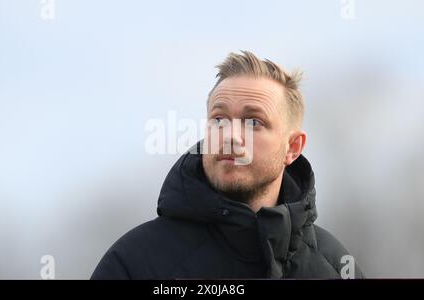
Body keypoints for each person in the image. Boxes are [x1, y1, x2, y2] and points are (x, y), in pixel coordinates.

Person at [91, 50, 364, 279]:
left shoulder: (334, 266)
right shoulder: (134, 264)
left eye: (253, 122)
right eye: (219, 119)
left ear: (292, 148)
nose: (230, 136)